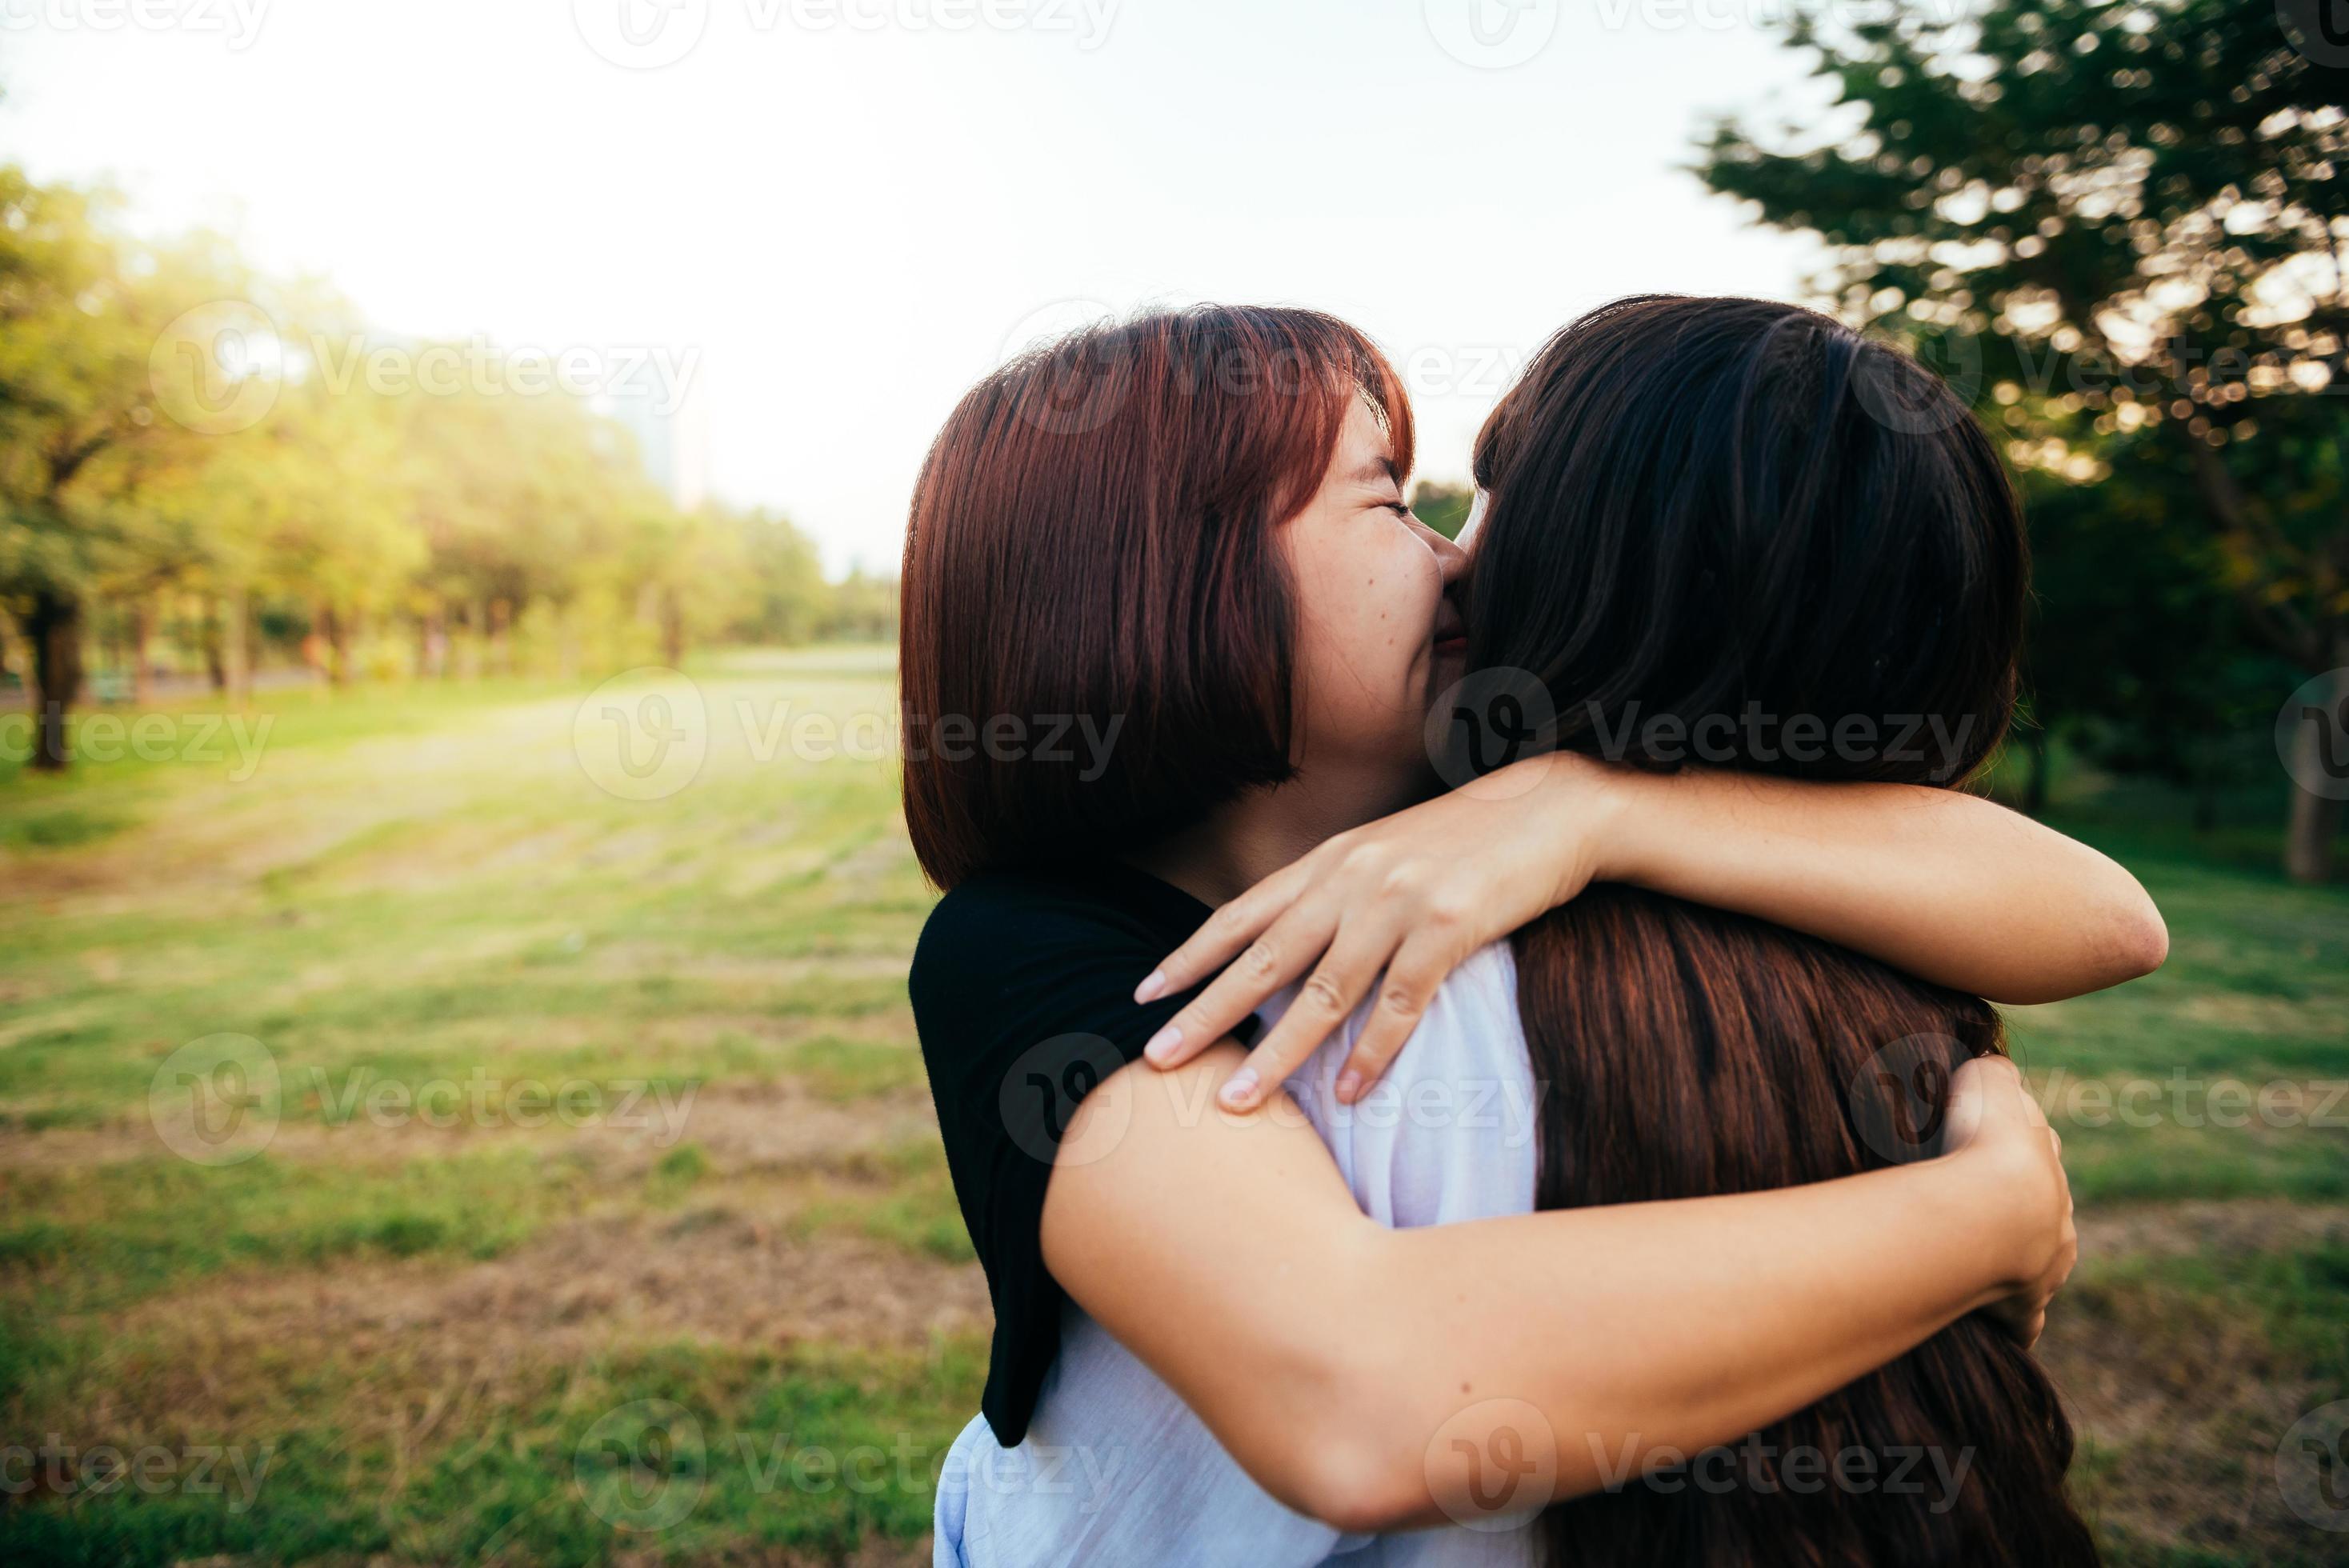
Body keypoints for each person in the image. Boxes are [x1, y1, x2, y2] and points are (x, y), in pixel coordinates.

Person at [902, 305, 2162, 1562]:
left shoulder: (1499, 829)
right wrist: (1984, 1217)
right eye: (1391, 504)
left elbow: (2108, 917)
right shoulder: (1030, 949)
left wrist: (1594, 806)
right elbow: (1362, 1399)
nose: (1462, 563)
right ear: (1174, 577)